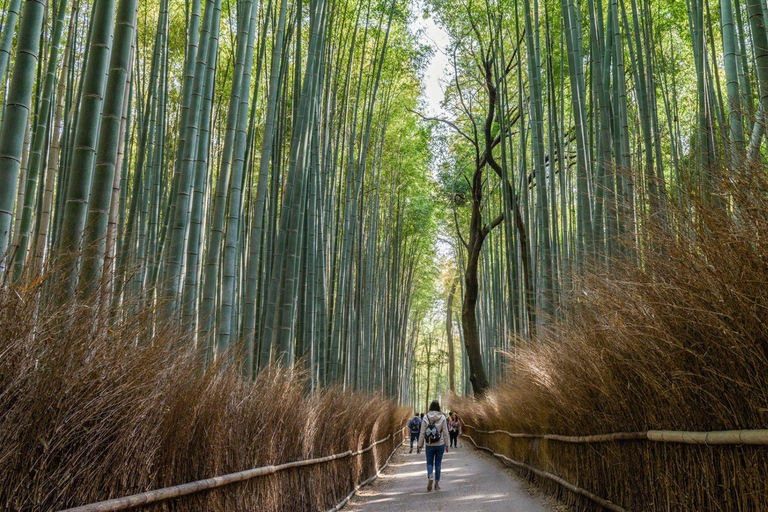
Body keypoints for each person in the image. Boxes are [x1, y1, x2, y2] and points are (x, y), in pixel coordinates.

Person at [417, 400, 450, 491]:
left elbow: (422, 432)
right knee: (438, 463)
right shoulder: (442, 417)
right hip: (440, 444)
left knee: (429, 462)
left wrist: (420, 445)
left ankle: (430, 475)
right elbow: (445, 432)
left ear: (430, 407)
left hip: (429, 443)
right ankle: (436, 483)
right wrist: (447, 444)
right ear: (438, 407)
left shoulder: (426, 417)